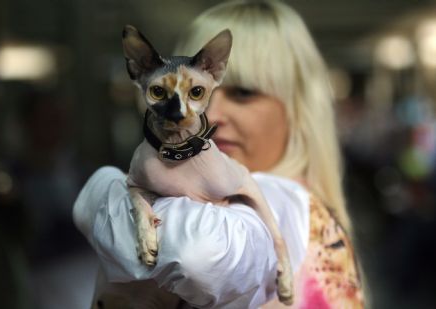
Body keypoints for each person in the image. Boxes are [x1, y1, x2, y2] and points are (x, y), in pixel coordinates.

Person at [73, 0, 364, 308]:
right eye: (178, 87)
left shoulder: (286, 206)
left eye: (243, 93)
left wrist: (108, 193)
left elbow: (198, 252)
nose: (212, 113)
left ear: (297, 108)